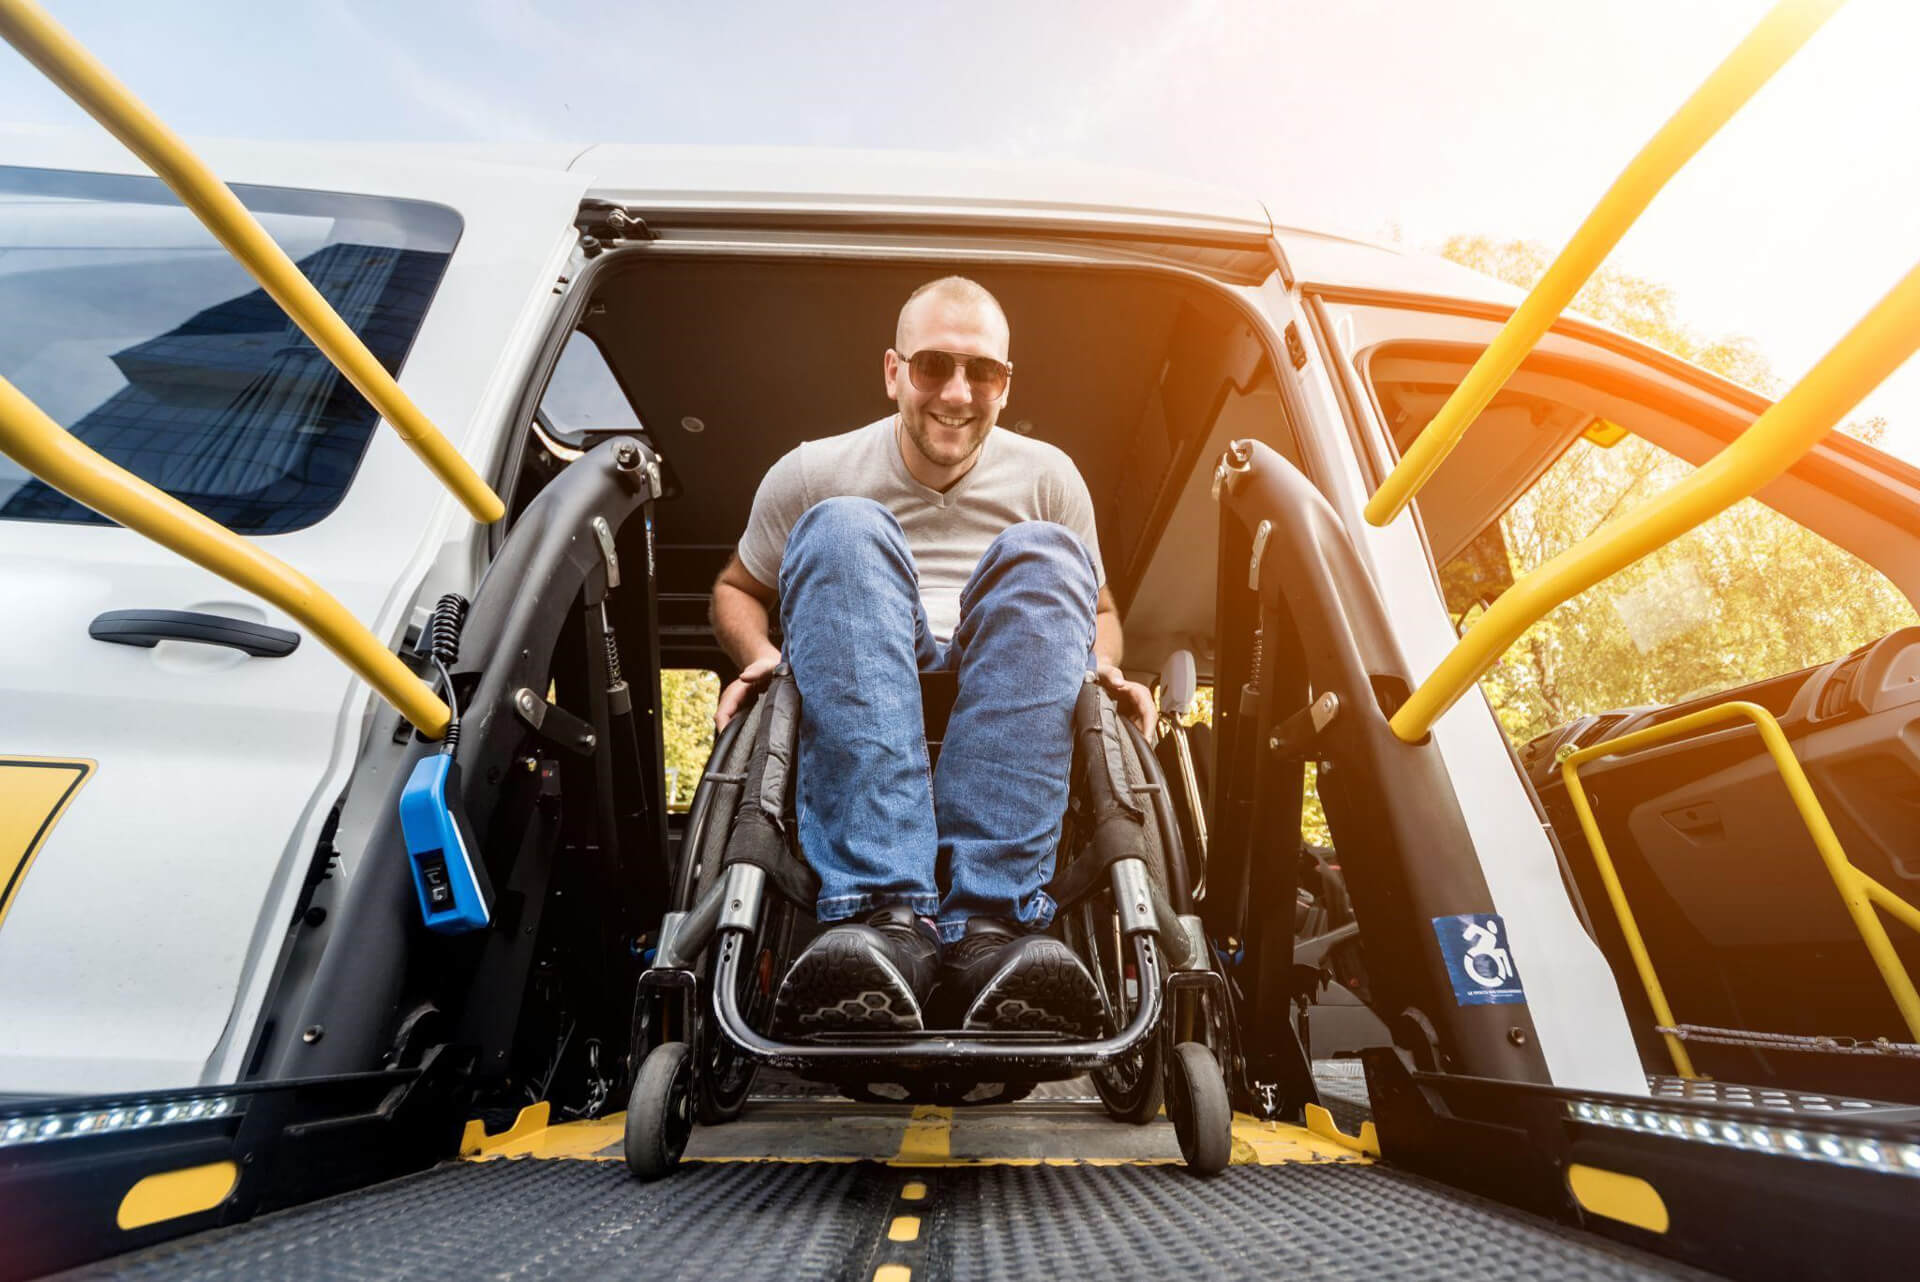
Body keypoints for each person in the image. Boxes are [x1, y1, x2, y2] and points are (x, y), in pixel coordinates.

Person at [710, 275, 1154, 1039]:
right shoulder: (814, 471)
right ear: (893, 372)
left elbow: (1101, 614)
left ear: (1006, 385)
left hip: (1010, 664)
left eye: (982, 371)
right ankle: (885, 916)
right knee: (845, 526)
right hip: (867, 653)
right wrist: (763, 655)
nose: (957, 392)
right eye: (933, 366)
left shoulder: (1048, 478)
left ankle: (990, 928)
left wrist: (1103, 667)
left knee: (1045, 554)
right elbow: (734, 588)